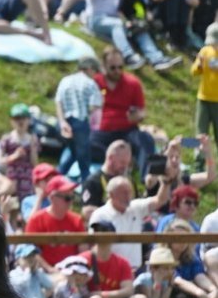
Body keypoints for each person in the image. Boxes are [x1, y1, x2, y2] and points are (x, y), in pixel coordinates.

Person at [89, 47, 156, 176]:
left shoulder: (133, 83)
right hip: (101, 131)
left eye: (121, 67)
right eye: (113, 68)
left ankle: (147, 179)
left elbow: (142, 111)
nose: (117, 71)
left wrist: (137, 116)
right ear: (103, 66)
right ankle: (120, 162)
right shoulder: (94, 83)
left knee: (146, 140)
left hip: (127, 130)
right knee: (86, 144)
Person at [89, 175, 170, 273]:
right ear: (111, 194)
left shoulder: (135, 208)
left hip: (136, 269)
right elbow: (93, 245)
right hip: (111, 271)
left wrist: (166, 183)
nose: (128, 196)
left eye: (129, 192)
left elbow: (160, 200)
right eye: (124, 193)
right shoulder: (100, 215)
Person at [55, 55, 103, 183]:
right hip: (80, 122)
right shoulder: (90, 83)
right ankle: (87, 189)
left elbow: (58, 101)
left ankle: (55, 179)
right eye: (95, 71)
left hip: (64, 122)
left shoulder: (65, 80)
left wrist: (62, 121)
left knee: (73, 152)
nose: (95, 74)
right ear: (89, 68)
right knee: (84, 160)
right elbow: (95, 105)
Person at [24, 174, 86, 267]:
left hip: (72, 271)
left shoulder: (77, 220)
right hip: (43, 272)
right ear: (52, 198)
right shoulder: (36, 220)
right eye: (67, 198)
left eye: (72, 197)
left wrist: (72, 270)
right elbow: (31, 251)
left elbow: (83, 251)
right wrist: (50, 270)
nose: (70, 202)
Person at [0, 103, 39, 200]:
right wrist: (14, 156)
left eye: (23, 118)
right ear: (11, 121)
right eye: (17, 118)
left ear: (28, 120)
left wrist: (33, 148)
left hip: (27, 179)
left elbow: (34, 163)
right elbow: (0, 160)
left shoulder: (32, 139)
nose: (20, 121)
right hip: (11, 177)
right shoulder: (7, 139)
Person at [193, 23, 218, 142]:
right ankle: (199, 159)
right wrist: (199, 66)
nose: (213, 46)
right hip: (203, 98)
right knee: (200, 131)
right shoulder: (205, 51)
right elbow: (193, 72)